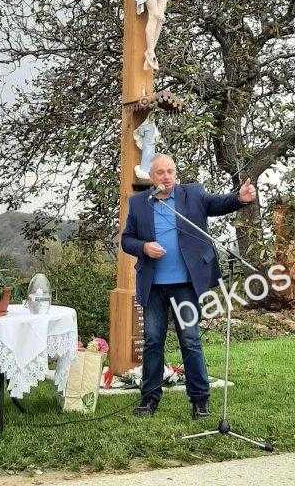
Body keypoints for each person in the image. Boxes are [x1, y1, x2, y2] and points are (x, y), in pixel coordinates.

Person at [121, 153, 256, 418]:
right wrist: (144, 247)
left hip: (185, 284)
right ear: (151, 177)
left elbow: (218, 203)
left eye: (170, 171)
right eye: (160, 172)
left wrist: (239, 198)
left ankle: (200, 400)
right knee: (152, 342)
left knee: (191, 340)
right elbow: (127, 240)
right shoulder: (138, 203)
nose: (166, 177)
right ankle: (149, 399)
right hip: (154, 286)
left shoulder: (192, 195)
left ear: (175, 174)